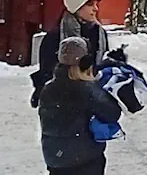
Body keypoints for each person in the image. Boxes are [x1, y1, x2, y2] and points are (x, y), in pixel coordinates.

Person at [38, 36, 122, 175]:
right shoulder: (85, 89)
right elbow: (112, 113)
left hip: (56, 158)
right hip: (84, 160)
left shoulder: (49, 88)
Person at [33, 0, 112, 108]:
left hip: (94, 100)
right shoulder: (54, 37)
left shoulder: (99, 34)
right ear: (76, 7)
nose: (96, 9)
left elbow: (100, 67)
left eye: (96, 5)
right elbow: (48, 72)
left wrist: (113, 62)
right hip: (63, 103)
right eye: (90, 5)